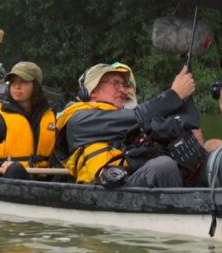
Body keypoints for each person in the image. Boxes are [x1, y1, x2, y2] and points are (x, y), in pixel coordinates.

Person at [55, 63, 201, 187]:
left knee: (202, 159)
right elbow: (139, 116)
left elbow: (174, 122)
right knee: (163, 166)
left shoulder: (122, 117)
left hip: (132, 177)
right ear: (92, 91)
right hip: (105, 189)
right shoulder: (80, 119)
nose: (123, 90)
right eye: (115, 83)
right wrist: (175, 94)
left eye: (123, 84)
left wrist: (185, 98)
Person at [0, 62, 56, 179]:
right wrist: (0, 166)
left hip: (45, 180)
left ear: (36, 86)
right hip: (12, 178)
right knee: (15, 169)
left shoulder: (50, 118)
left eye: (23, 81)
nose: (17, 86)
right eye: (13, 82)